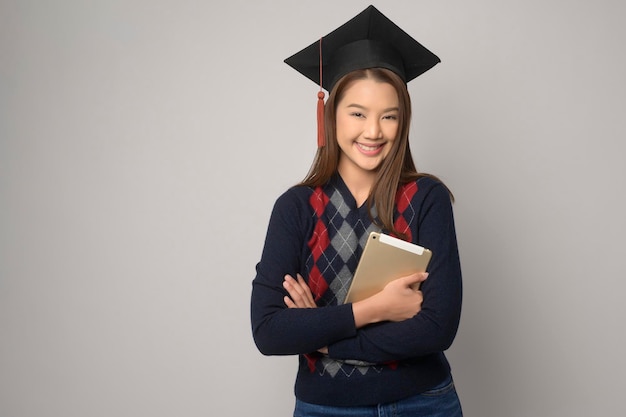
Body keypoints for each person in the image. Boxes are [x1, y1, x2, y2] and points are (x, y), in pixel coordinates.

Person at [251, 5, 463, 416]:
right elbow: (269, 331)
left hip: (423, 403)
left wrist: (322, 336)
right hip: (325, 409)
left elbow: (438, 327)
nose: (373, 131)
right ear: (331, 116)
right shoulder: (295, 208)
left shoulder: (426, 198)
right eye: (358, 114)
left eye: (389, 116)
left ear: (403, 122)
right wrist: (376, 310)